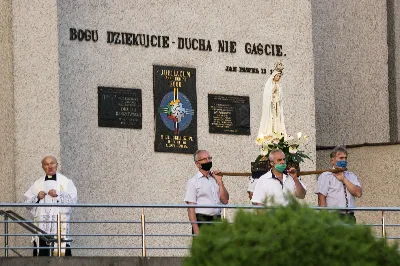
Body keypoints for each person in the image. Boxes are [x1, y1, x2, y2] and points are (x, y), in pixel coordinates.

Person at [24, 155, 78, 256]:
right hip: (42, 225)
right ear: (42, 167)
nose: (50, 166)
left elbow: (73, 200)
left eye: (52, 163)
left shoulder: (66, 182)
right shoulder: (37, 184)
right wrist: (37, 197)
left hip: (59, 225)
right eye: (46, 164)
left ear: (57, 165)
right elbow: (27, 203)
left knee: (61, 253)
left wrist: (58, 194)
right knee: (42, 253)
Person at [184, 150, 229, 235]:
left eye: (209, 158)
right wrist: (196, 230)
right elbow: (191, 209)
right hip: (202, 221)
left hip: (217, 221)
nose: (208, 161)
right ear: (197, 164)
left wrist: (220, 182)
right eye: (204, 159)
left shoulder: (215, 179)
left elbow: (225, 200)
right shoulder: (193, 182)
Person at [315, 146, 362, 223]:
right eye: (341, 158)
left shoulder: (351, 175)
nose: (344, 160)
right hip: (333, 216)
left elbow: (358, 193)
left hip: (349, 217)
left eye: (345, 158)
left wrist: (344, 179)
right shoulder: (326, 176)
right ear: (332, 160)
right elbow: (321, 200)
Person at [256, 62, 286, 144]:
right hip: (270, 106)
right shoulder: (269, 84)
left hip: (276, 105)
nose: (278, 77)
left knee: (277, 119)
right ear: (274, 75)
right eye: (277, 76)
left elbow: (281, 97)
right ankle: (270, 133)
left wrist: (278, 93)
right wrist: (272, 91)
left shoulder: (279, 85)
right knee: (271, 119)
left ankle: (277, 134)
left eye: (279, 76)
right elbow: (266, 95)